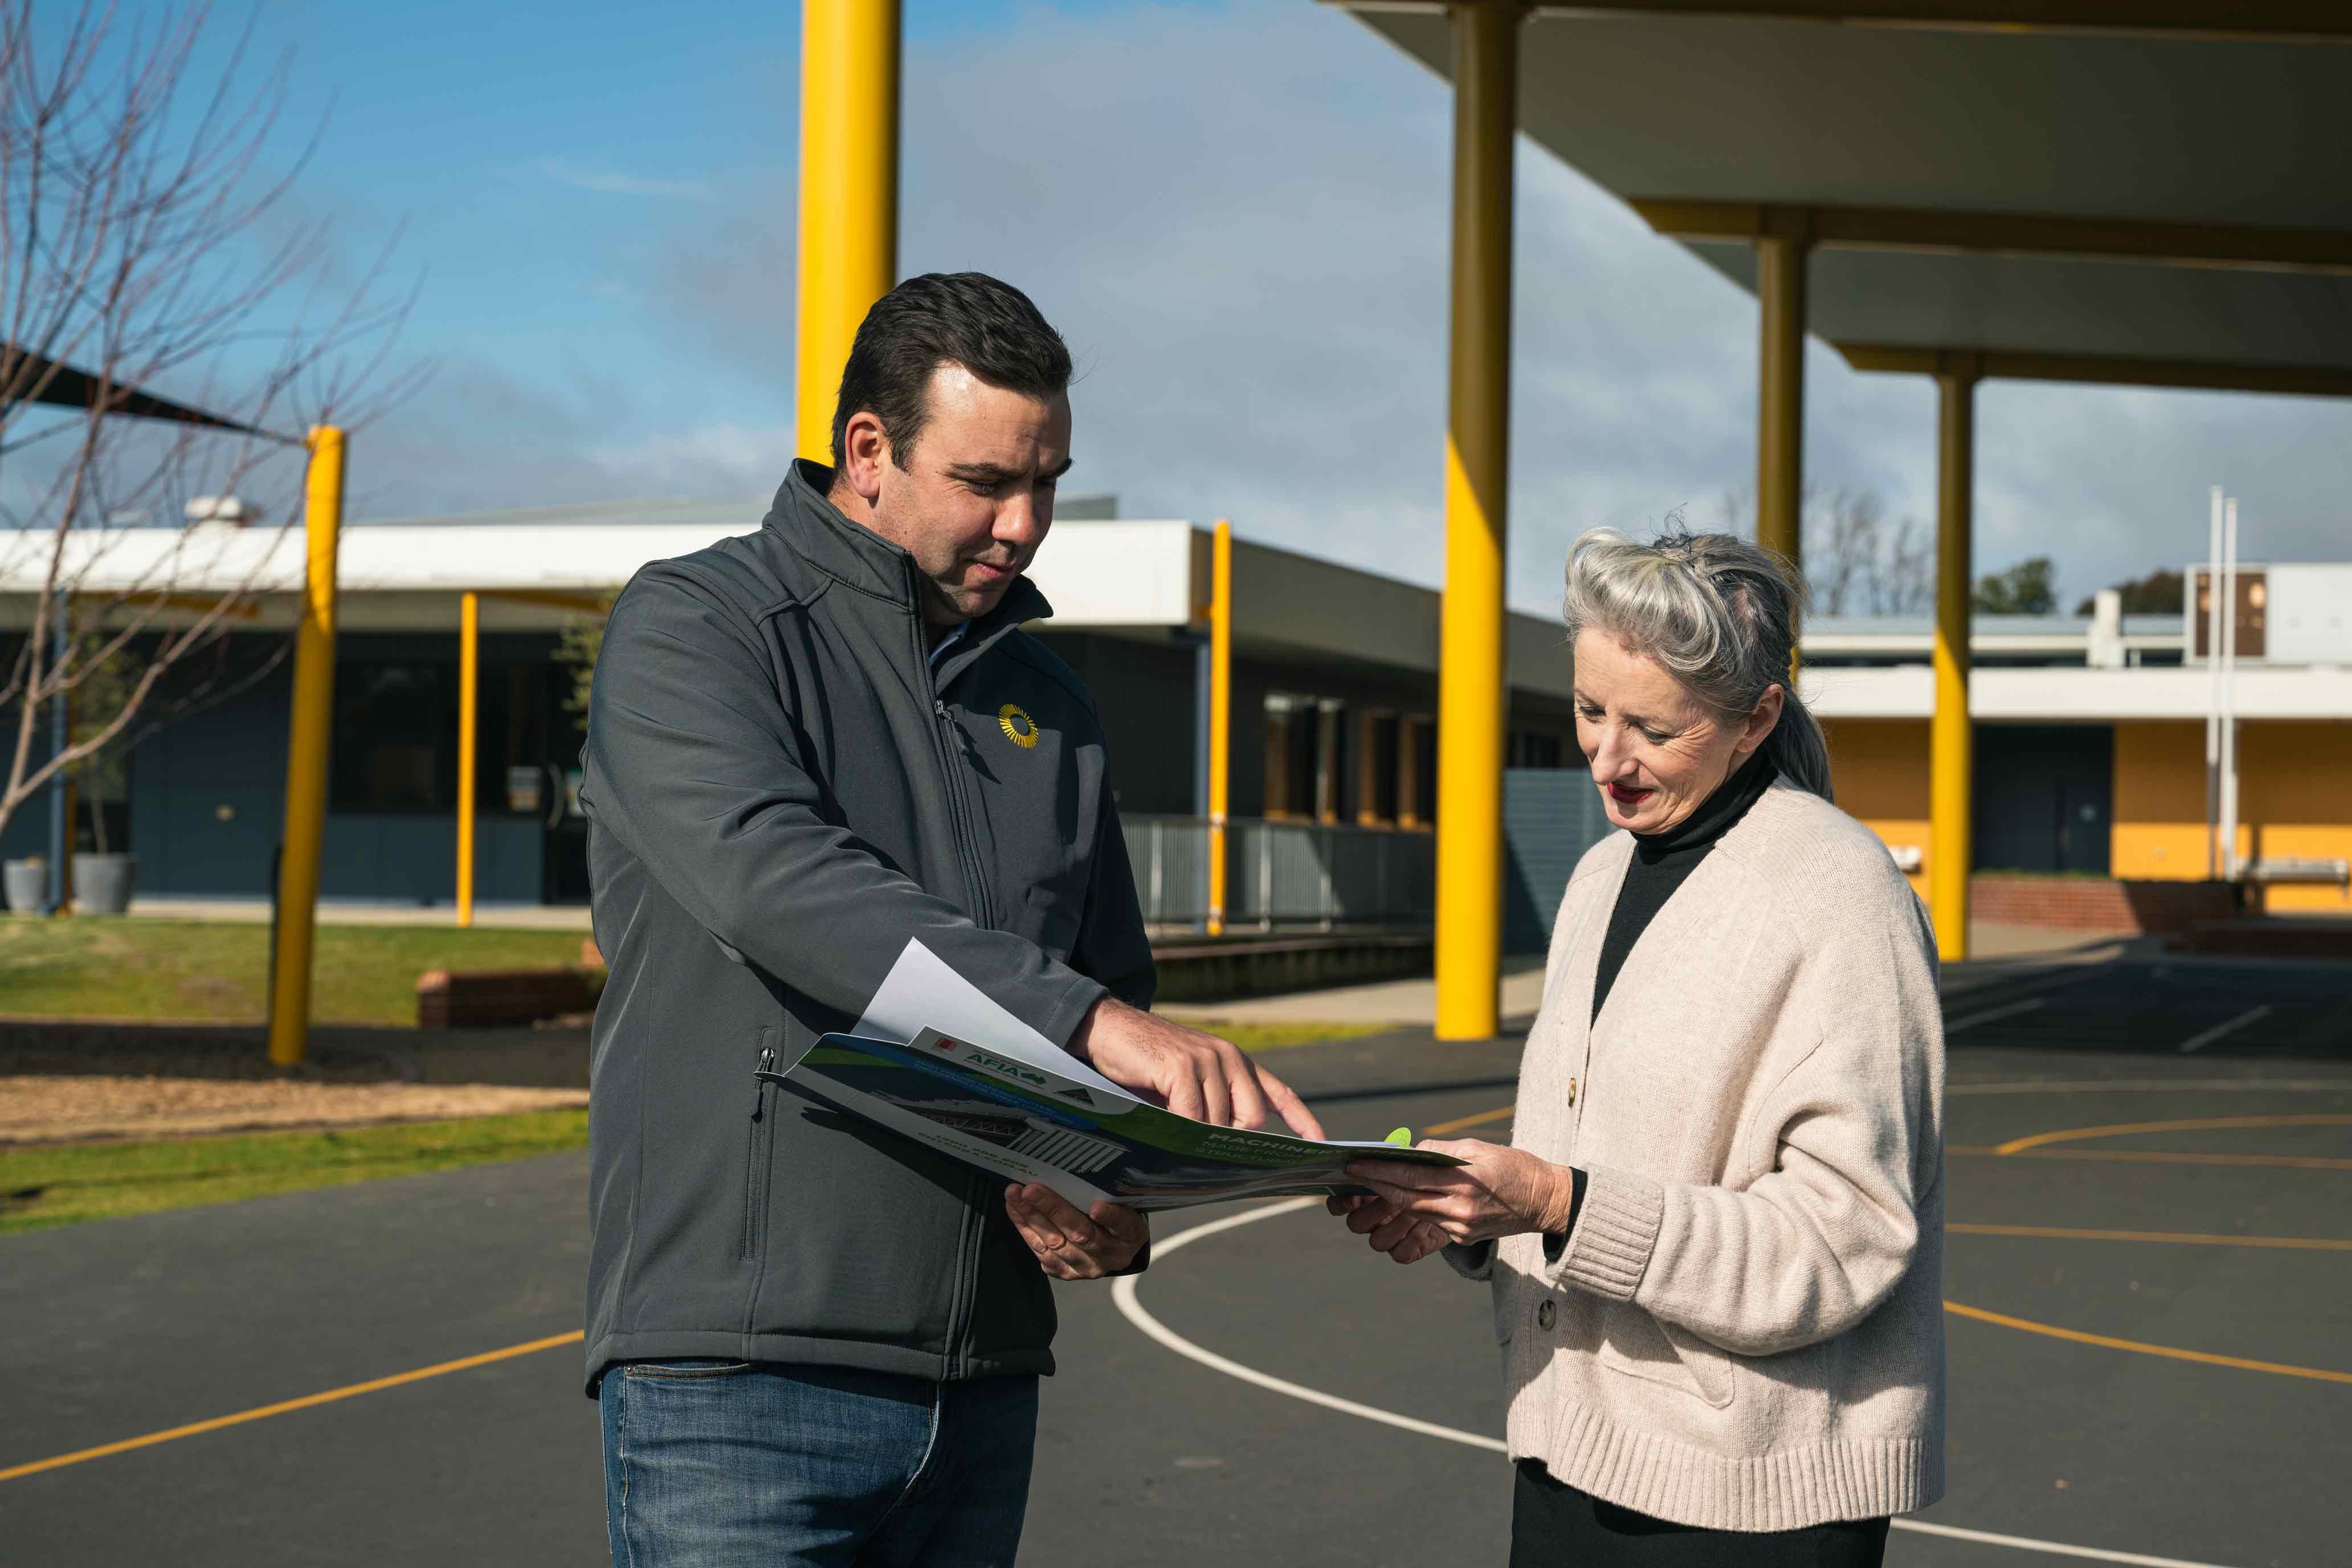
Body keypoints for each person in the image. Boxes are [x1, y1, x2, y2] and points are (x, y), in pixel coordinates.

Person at [580, 271, 1322, 1568]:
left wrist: (1100, 1175)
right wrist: (1091, 1023)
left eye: (1049, 480)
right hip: (740, 1375)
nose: (1026, 521)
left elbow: (1100, 1000)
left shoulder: (1050, 701)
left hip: (983, 1377)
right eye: (987, 480)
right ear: (869, 450)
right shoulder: (697, 626)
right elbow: (774, 877)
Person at [1338, 528, 1945, 1567]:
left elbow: (1846, 1241)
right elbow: (1591, 1159)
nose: (1606, 760)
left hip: (1751, 1505)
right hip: (1566, 1457)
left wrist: (1555, 1202)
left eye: (1652, 729)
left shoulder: (1842, 897)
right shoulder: (1597, 879)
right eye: (1587, 709)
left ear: (1757, 719)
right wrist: (1472, 1210)